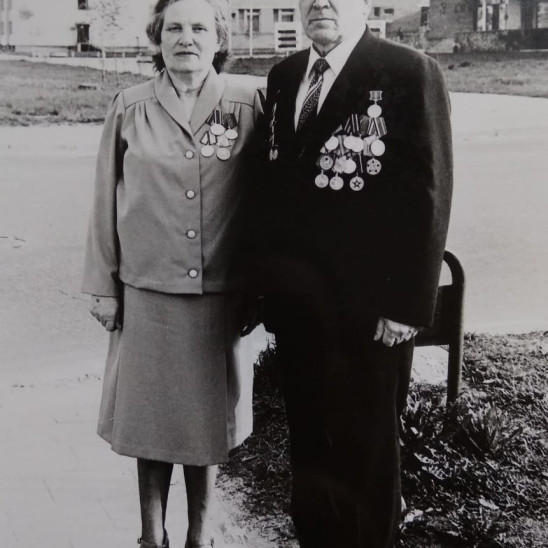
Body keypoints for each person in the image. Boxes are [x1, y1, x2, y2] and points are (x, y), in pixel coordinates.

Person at [250, 0, 453, 546]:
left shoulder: (408, 71)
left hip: (369, 313)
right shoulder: (285, 76)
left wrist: (406, 304)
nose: (320, 2)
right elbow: (272, 188)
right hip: (298, 309)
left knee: (366, 458)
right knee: (310, 453)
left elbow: (428, 194)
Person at [82, 1, 261, 546]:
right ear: (157, 39)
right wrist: (103, 285)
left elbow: (269, 203)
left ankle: (199, 536)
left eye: (199, 27)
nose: (187, 38)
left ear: (219, 39)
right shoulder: (130, 105)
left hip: (218, 296)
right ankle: (150, 535)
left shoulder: (249, 103)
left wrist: (261, 289)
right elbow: (104, 200)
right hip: (148, 293)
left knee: (206, 424)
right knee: (151, 421)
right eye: (174, 28)